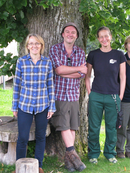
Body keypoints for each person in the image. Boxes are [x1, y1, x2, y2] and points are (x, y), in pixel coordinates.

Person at [12, 33, 56, 173]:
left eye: (37, 43)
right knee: (23, 137)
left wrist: (52, 106)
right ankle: (19, 166)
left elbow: (50, 85)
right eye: (31, 43)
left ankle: (39, 166)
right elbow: (17, 85)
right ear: (27, 46)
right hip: (24, 104)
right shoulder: (21, 62)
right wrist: (14, 106)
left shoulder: (47, 62)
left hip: (42, 105)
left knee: (40, 136)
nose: (34, 46)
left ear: (41, 46)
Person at [49, 22, 87, 172]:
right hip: (59, 93)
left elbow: (81, 75)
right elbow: (58, 70)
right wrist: (77, 70)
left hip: (74, 94)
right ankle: (74, 156)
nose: (70, 34)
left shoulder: (80, 52)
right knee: (64, 125)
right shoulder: (55, 49)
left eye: (73, 32)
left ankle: (69, 162)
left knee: (72, 126)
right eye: (67, 32)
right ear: (63, 34)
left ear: (76, 36)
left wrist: (69, 72)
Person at [85, 26, 126, 164]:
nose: (104, 39)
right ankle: (94, 153)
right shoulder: (93, 54)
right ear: (98, 39)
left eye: (106, 36)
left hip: (113, 96)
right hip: (96, 95)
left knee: (112, 127)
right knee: (94, 126)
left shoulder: (119, 54)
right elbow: (87, 76)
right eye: (101, 36)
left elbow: (123, 76)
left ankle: (110, 153)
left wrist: (120, 95)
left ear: (111, 37)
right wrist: (90, 93)